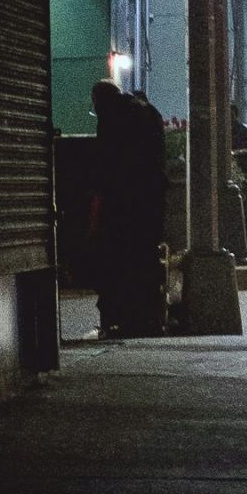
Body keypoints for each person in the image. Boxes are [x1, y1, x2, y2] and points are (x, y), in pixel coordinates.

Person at [90, 81, 167, 336]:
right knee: (146, 258)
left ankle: (120, 319)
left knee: (118, 261)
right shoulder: (149, 112)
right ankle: (150, 318)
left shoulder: (111, 116)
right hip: (151, 203)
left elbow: (104, 165)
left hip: (122, 206)